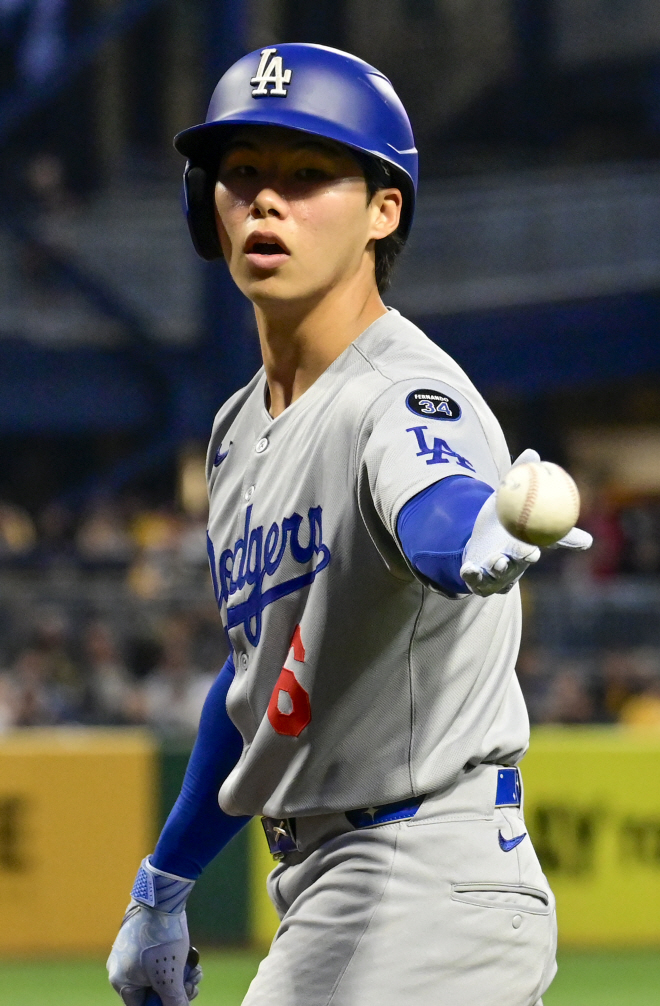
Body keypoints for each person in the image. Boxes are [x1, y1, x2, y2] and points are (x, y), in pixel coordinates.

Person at [107, 44, 592, 1006]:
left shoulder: (399, 389)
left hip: (419, 874)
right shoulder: (239, 429)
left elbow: (433, 493)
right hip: (342, 883)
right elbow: (259, 685)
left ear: (384, 209)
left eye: (309, 174)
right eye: (243, 172)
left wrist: (470, 540)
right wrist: (162, 884)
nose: (266, 202)